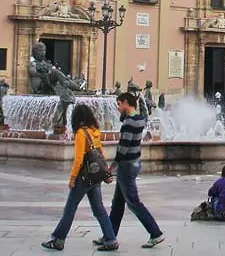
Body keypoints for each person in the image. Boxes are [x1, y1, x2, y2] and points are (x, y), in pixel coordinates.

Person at [42, 104, 118, 251]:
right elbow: (100, 154)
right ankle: (111, 239)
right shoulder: (95, 131)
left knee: (70, 208)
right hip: (95, 176)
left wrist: (72, 179)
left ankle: (58, 240)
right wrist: (106, 174)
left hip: (83, 177)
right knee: (99, 209)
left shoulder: (81, 134)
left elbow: (78, 160)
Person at [99, 93, 164, 249]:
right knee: (118, 203)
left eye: (119, 104)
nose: (118, 107)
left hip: (126, 165)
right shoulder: (139, 119)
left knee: (133, 202)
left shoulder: (129, 122)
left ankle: (155, 233)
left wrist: (111, 168)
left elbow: (123, 149)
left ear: (126, 103)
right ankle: (110, 235)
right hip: (134, 162)